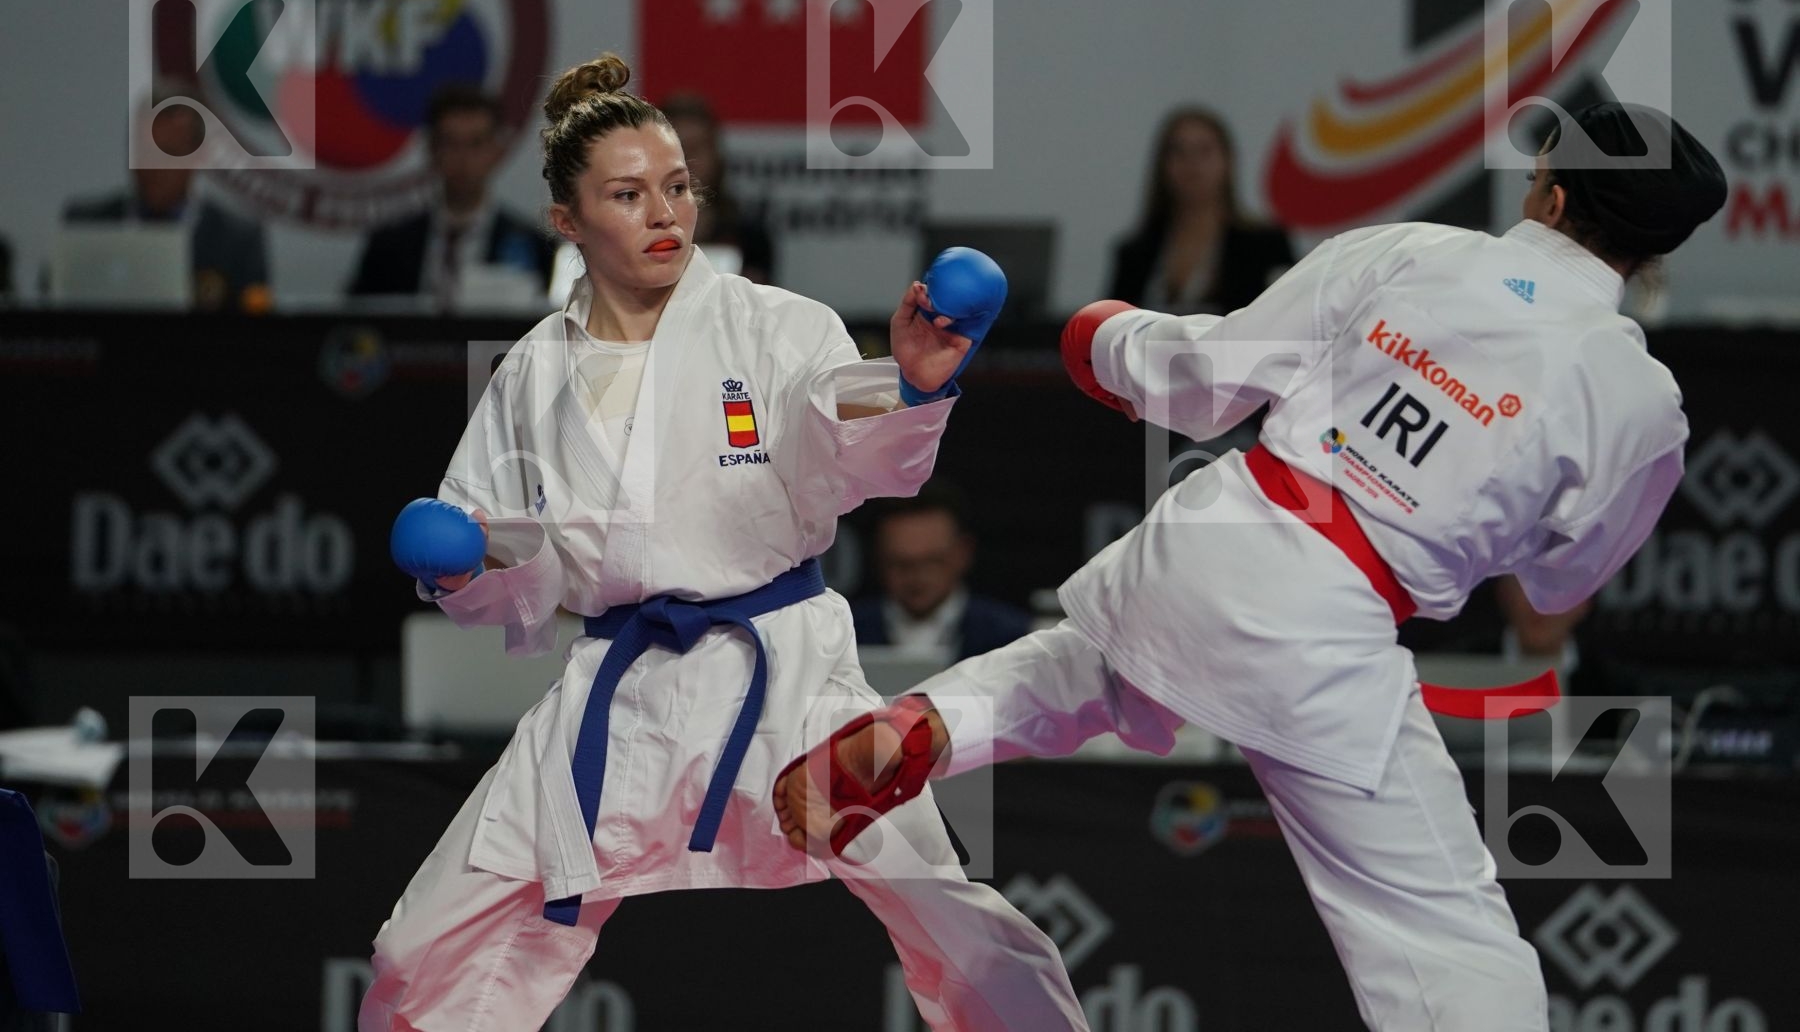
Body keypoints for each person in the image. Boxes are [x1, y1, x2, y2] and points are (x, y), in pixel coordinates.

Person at [778, 102, 1728, 1031]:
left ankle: (930, 719)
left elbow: (1205, 376)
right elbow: (1560, 588)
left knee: (1095, 669)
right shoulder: (1641, 402)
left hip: (1223, 530)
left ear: (1552, 200)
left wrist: (1100, 336)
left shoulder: (1413, 251)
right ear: (1651, 252)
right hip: (1336, 619)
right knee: (1444, 932)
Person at [358, 53, 1085, 1032]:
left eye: (676, 187)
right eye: (627, 194)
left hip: (786, 678)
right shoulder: (530, 371)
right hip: (615, 694)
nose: (664, 213)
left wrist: (910, 384)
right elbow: (519, 569)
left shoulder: (775, 326)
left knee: (949, 915)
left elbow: (846, 434)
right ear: (568, 222)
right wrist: (463, 565)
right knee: (421, 950)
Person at [348, 84, 557, 303]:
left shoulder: (533, 245)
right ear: (432, 149)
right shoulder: (389, 246)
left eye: (475, 144)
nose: (463, 158)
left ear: (496, 151)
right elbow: (359, 323)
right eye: (451, 143)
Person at [64, 99, 269, 312]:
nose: (154, 167)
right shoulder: (85, 228)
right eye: (145, 152)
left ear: (199, 156)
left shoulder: (238, 241)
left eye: (168, 153)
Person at [1107, 106, 1294, 314]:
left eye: (1204, 151)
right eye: (1178, 151)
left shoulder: (1265, 245)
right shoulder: (1135, 252)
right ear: (1162, 165)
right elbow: (1110, 327)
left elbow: (1288, 318)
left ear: (1227, 161)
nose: (1191, 163)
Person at [851, 485, 1031, 660]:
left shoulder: (1014, 638)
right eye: (901, 564)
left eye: (932, 562)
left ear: (963, 553)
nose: (917, 577)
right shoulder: (843, 635)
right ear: (878, 559)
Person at [659, 91, 776, 283]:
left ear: (717, 155)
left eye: (698, 147)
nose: (689, 160)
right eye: (678, 147)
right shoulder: (632, 232)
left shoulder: (749, 236)